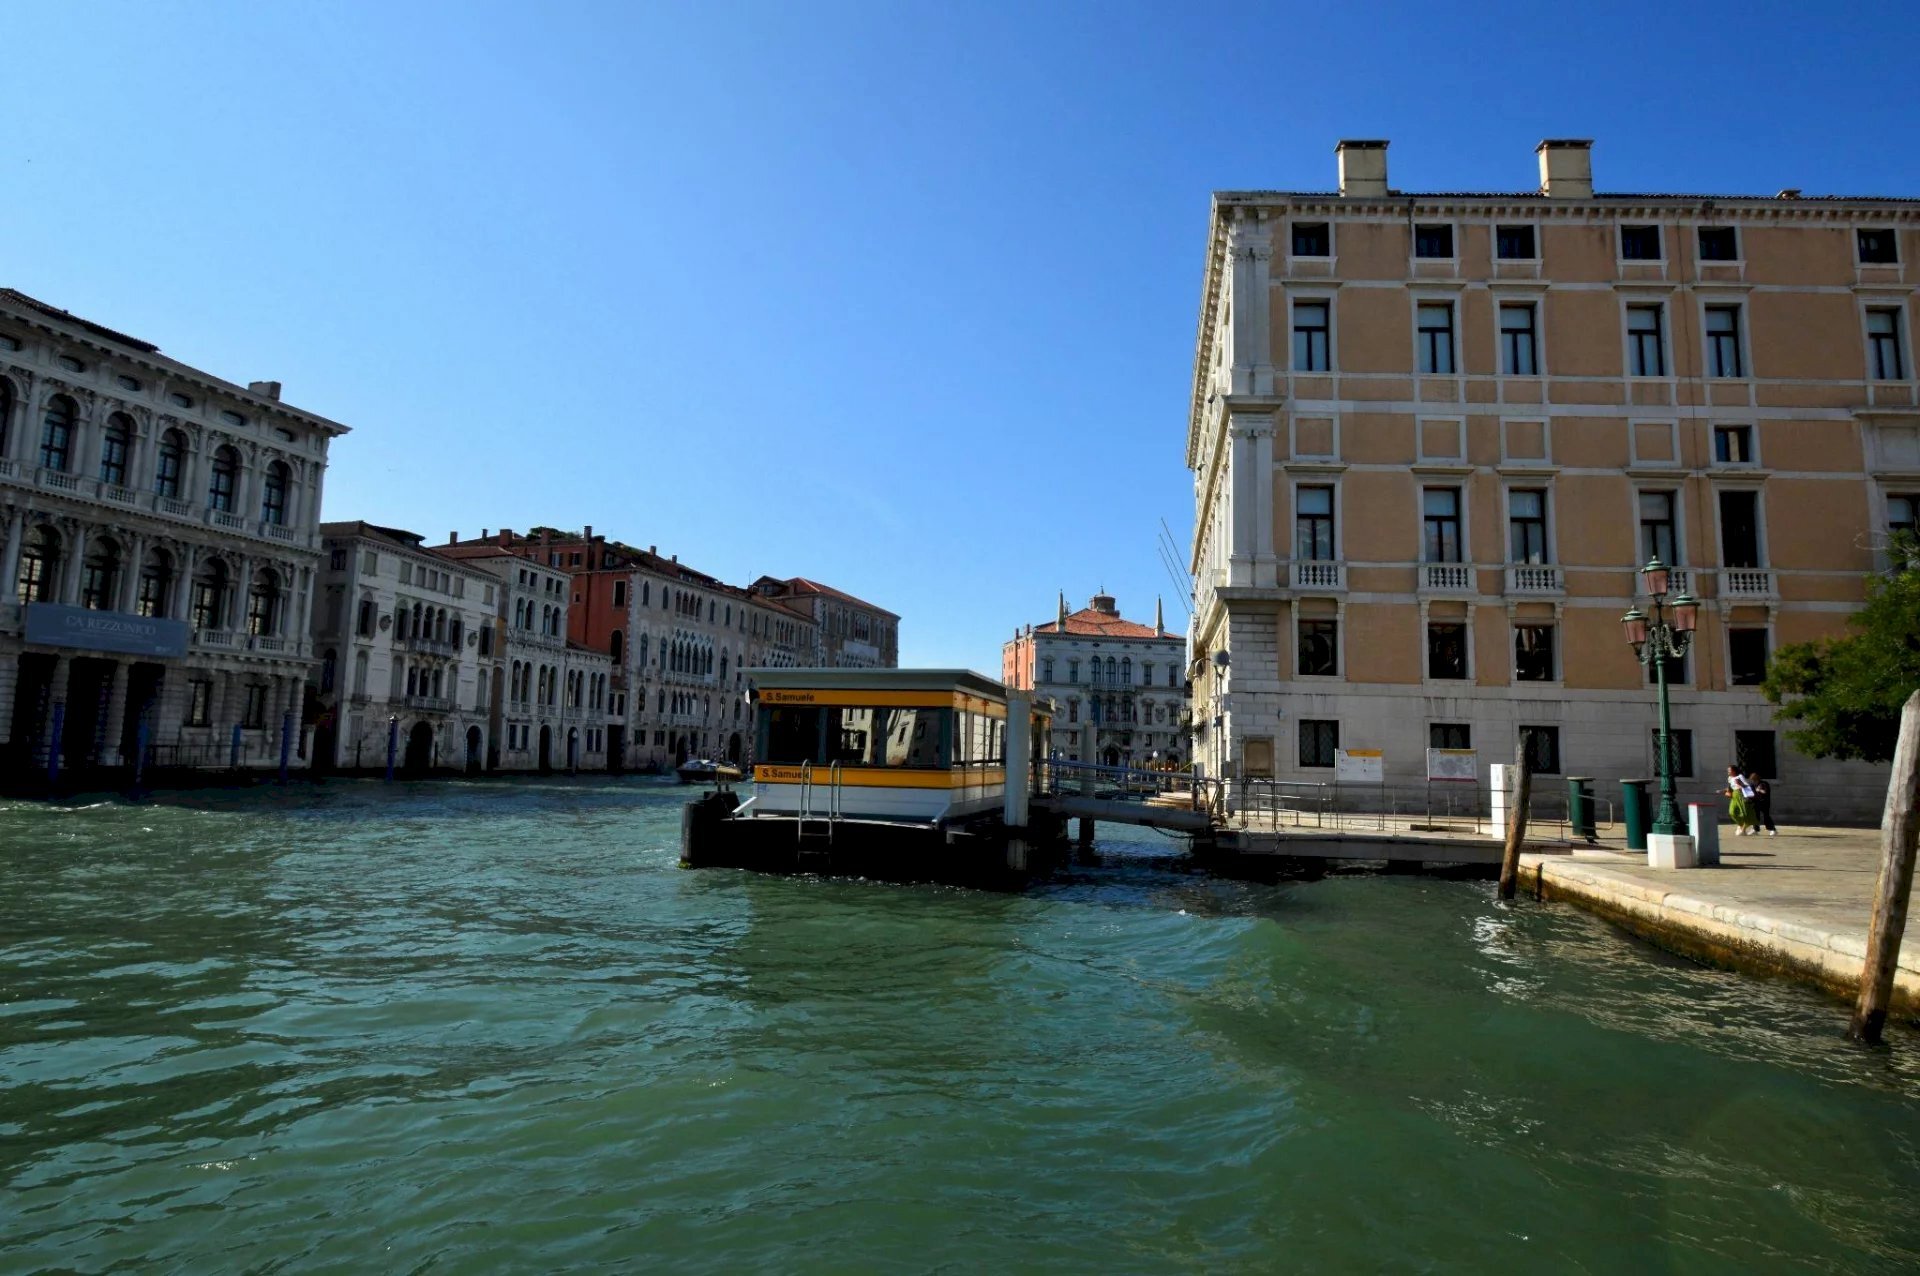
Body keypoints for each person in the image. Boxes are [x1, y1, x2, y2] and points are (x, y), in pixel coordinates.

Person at [1725, 765, 1756, 835]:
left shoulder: (1740, 776)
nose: (1728, 772)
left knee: (1744, 813)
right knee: (1732, 812)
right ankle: (1741, 825)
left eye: (1729, 770)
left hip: (1741, 794)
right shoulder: (1729, 778)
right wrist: (1726, 791)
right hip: (1734, 795)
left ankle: (1743, 828)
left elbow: (1747, 786)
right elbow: (1729, 787)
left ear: (1734, 771)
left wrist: (1740, 784)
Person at [1746, 772, 1777, 837]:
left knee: (1766, 816)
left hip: (1764, 802)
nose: (1753, 781)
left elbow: (1765, 792)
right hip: (1755, 802)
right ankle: (1755, 830)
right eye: (1752, 780)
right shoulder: (1752, 785)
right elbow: (1751, 793)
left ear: (1757, 779)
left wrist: (1759, 790)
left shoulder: (1764, 784)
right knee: (1755, 816)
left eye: (1754, 780)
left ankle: (1772, 830)